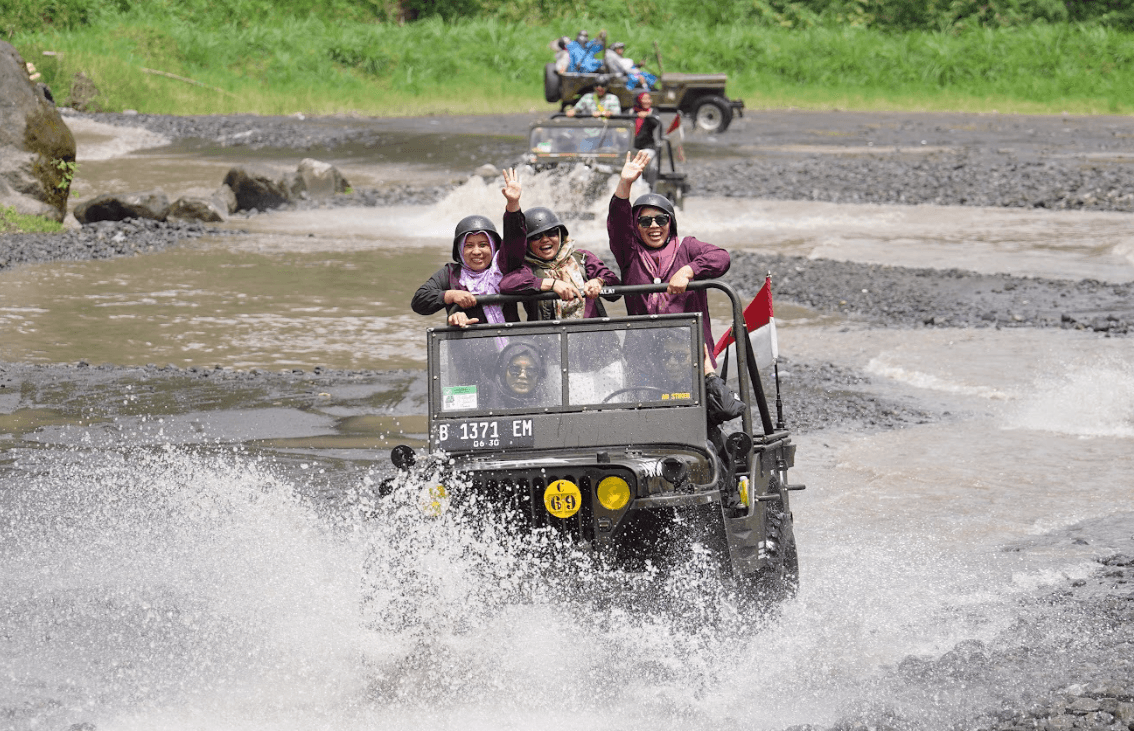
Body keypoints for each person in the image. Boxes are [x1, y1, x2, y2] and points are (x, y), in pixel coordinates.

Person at [607, 150, 731, 366]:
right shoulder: (629, 252)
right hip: (643, 356)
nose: (654, 226)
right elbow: (618, 223)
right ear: (636, 226)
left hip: (687, 353)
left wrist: (688, 271)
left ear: (670, 222)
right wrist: (625, 183)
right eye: (645, 222)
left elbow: (721, 257)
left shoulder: (688, 247)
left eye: (660, 219)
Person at [498, 168, 620, 321]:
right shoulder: (528, 269)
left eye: (551, 234)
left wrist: (599, 281)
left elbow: (614, 282)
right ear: (528, 244)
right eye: (536, 237)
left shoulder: (582, 258)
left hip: (593, 338)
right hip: (550, 341)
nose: (545, 240)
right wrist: (550, 284)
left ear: (561, 235)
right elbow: (506, 284)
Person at [411, 214, 519, 328]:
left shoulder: (506, 268)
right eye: (469, 246)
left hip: (512, 343)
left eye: (483, 245)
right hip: (466, 344)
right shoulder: (450, 273)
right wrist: (450, 295)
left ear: (493, 247)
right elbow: (419, 301)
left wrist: (513, 204)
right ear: (460, 249)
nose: (476, 251)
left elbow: (517, 240)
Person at [494, 341, 547, 408]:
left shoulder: (549, 406)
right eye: (515, 369)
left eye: (530, 370)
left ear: (538, 376)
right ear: (503, 372)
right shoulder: (487, 406)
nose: (522, 376)